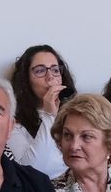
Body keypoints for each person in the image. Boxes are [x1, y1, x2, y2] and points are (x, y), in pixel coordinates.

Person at [7, 45, 74, 179]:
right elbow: (32, 169)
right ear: (26, 80)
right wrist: (50, 115)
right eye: (40, 71)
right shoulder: (13, 122)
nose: (50, 77)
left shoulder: (75, 114)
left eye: (55, 70)